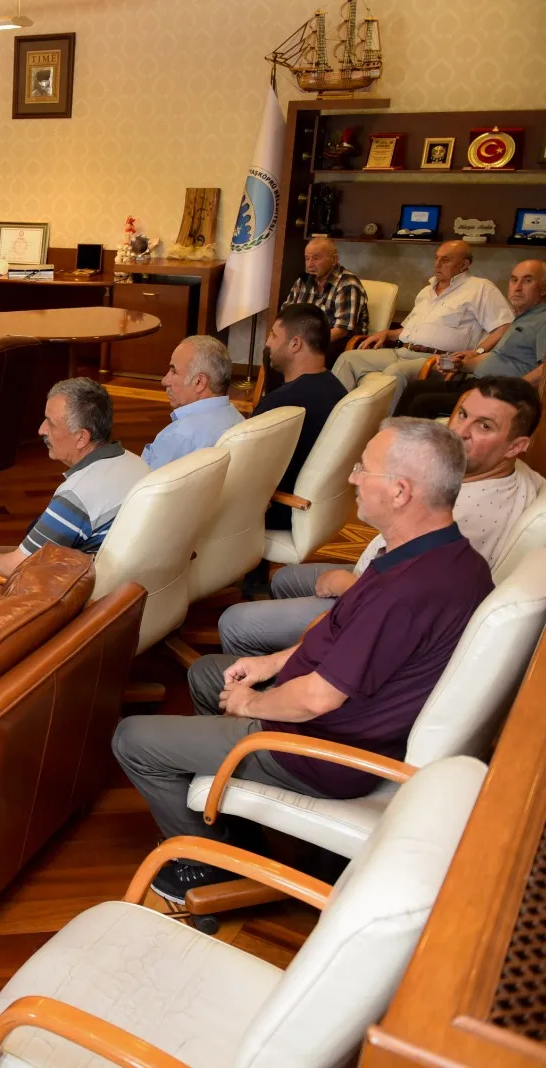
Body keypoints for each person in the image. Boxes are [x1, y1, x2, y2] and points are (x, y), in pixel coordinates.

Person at [113, 419, 492, 904]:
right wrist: (271, 663)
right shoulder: (441, 556)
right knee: (207, 674)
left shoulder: (408, 594)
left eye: (363, 469)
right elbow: (338, 634)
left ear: (400, 491)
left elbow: (317, 698)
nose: (352, 477)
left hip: (319, 748)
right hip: (327, 719)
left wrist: (250, 706)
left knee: (132, 738)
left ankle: (206, 864)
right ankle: (233, 811)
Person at [220, 377, 543, 657]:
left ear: (517, 445)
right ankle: (296, 656)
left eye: (484, 426)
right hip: (381, 572)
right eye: (462, 414)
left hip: (378, 605)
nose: (461, 431)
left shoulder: (470, 516)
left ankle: (269, 697)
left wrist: (351, 585)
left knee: (236, 623)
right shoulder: (519, 478)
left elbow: (414, 605)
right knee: (285, 579)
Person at [0, 378, 149, 577]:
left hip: (91, 595)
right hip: (132, 584)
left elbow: (20, 566)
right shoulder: (137, 463)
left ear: (81, 437)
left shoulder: (76, 495)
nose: (41, 430)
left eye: (51, 423)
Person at [335, 240, 513, 402]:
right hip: (402, 351)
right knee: (348, 359)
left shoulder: (480, 288)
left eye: (446, 260)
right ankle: (330, 419)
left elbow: (505, 325)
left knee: (394, 373)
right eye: (436, 258)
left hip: (438, 360)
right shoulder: (426, 291)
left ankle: (381, 429)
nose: (438, 264)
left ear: (464, 265)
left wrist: (477, 351)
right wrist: (387, 333)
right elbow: (408, 329)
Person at [398, 259, 546, 418]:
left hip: (499, 395)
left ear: (543, 289)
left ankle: (409, 441)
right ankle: (391, 437)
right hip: (479, 384)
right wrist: (461, 365)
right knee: (415, 388)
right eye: (514, 280)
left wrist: (515, 389)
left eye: (528, 281)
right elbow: (500, 357)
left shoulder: (542, 319)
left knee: (423, 402)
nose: (517, 288)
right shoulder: (522, 318)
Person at [254, 303, 349, 531]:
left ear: (295, 344)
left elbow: (243, 467)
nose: (268, 343)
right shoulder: (337, 389)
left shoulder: (280, 404)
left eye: (274, 336)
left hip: (277, 507)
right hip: (314, 507)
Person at [142, 335, 245, 469]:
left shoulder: (178, 436)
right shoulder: (240, 420)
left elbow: (145, 488)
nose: (165, 380)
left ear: (199, 382)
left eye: (174, 372)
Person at [282, 236, 368, 345]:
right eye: (307, 258)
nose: (309, 264)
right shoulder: (303, 281)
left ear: (334, 259)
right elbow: (286, 315)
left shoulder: (348, 284)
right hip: (304, 340)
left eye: (316, 258)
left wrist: (307, 345)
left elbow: (342, 330)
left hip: (335, 343)